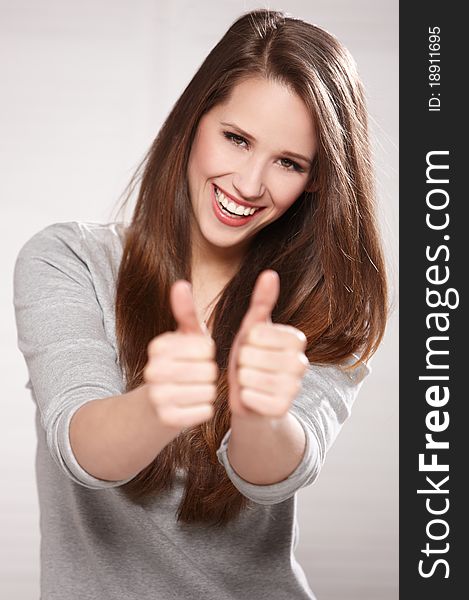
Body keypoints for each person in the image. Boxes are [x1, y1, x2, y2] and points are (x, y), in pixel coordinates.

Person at [13, 8, 388, 600]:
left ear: (317, 180)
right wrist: (158, 406)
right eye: (236, 139)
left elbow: (275, 475)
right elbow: (80, 444)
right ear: (194, 121)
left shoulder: (328, 306)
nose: (248, 183)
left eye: (288, 163)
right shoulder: (69, 259)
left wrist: (258, 413)